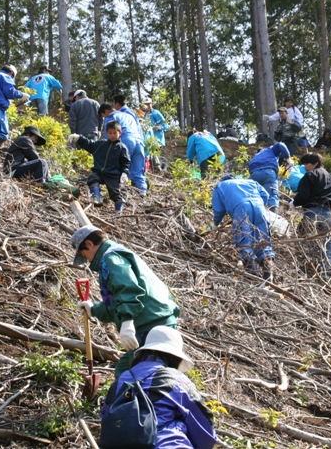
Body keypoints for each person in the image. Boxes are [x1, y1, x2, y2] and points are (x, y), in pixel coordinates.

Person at [73, 226, 180, 377]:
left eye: (84, 255)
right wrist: (94, 310)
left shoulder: (111, 258)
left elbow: (128, 289)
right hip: (156, 320)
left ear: (89, 244)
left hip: (151, 327)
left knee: (140, 376)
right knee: (126, 371)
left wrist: (127, 321)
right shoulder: (118, 253)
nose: (87, 261)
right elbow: (117, 301)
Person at [101, 326, 217, 449]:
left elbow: (106, 417)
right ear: (174, 357)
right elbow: (204, 430)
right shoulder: (176, 380)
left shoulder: (123, 378)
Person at [212, 176, 275, 279]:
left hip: (241, 209)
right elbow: (265, 195)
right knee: (263, 240)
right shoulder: (251, 182)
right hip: (260, 208)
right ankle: (268, 273)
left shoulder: (220, 186)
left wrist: (215, 224)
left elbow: (219, 210)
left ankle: (253, 275)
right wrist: (258, 206)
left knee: (244, 240)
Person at [69, 121, 131, 215]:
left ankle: (119, 211)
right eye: (110, 133)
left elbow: (126, 162)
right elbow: (90, 145)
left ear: (120, 133)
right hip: (99, 172)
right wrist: (79, 138)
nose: (112, 135)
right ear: (107, 133)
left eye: (115, 133)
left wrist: (124, 173)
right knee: (92, 178)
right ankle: (97, 198)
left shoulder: (122, 148)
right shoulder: (101, 144)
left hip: (113, 175)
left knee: (115, 194)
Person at [292, 153, 331, 261]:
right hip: (328, 212)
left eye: (307, 163)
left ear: (316, 163)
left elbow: (303, 195)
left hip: (312, 211)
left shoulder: (311, 175)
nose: (305, 166)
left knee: (303, 237)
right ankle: (326, 269)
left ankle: (302, 263)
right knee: (326, 243)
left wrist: (294, 202)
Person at [100, 103, 148, 193]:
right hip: (139, 141)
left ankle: (120, 190)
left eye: (103, 116)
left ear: (106, 111)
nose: (104, 118)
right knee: (138, 170)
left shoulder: (110, 117)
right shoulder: (129, 115)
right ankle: (142, 191)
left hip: (125, 141)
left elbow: (109, 135)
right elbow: (139, 130)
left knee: (119, 166)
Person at [248, 142, 291, 212]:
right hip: (269, 173)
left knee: (250, 197)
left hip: (254, 175)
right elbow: (280, 144)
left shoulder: (255, 157)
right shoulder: (270, 150)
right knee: (272, 197)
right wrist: (288, 157)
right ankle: (273, 218)